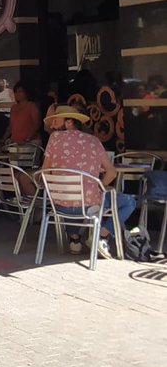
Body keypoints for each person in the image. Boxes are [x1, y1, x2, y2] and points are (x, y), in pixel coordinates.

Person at [41, 106, 135, 259]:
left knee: (71, 196)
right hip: (89, 206)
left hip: (59, 206)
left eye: (55, 121)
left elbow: (44, 172)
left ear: (69, 122)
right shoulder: (94, 141)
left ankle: (75, 240)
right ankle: (101, 236)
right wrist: (97, 186)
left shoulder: (54, 139)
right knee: (129, 202)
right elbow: (111, 173)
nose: (52, 126)